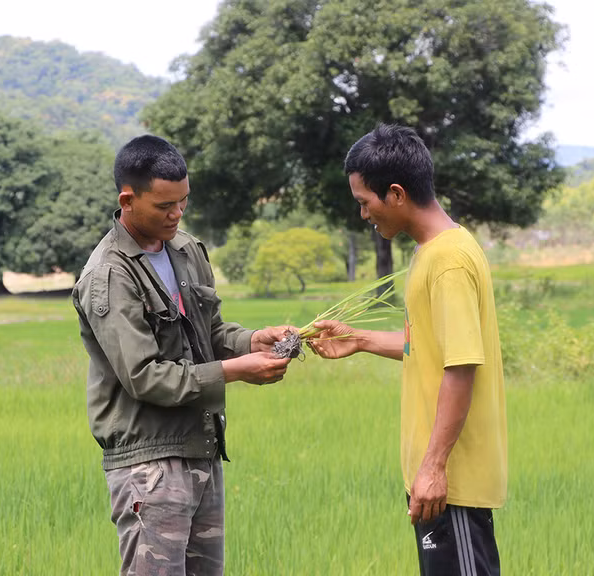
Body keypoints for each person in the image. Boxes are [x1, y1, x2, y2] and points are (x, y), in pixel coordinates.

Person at [72, 134, 293, 575]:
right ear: (127, 200)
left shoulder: (186, 250)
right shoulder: (109, 275)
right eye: (164, 206)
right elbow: (145, 376)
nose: (177, 214)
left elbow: (209, 333)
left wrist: (254, 341)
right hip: (149, 465)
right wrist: (235, 370)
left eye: (183, 201)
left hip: (202, 448)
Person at [309, 124, 507, 575]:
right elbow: (427, 347)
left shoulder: (448, 262)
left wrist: (434, 467)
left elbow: (461, 367)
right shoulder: (432, 251)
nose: (363, 213)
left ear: (396, 193)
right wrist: (359, 339)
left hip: (451, 481)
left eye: (365, 202)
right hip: (439, 479)